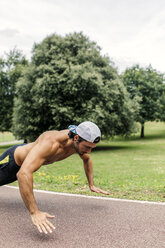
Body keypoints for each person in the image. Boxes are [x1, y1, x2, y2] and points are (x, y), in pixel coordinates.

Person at [0, 121, 109, 234]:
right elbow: (23, 174)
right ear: (76, 138)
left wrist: (91, 184)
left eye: (92, 148)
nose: (89, 151)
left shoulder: (78, 144)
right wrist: (35, 212)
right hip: (11, 162)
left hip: (25, 163)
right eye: (87, 147)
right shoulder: (51, 142)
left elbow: (87, 160)